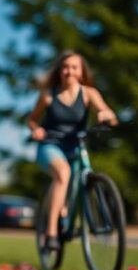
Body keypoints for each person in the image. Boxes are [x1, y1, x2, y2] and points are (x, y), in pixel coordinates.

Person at [26, 51, 117, 250]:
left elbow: (107, 112)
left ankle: (65, 212)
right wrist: (36, 129)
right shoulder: (48, 95)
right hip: (50, 145)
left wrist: (106, 114)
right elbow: (32, 119)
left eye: (74, 67)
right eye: (65, 67)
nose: (69, 71)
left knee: (73, 180)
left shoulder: (88, 94)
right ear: (60, 71)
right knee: (62, 173)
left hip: (76, 145)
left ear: (81, 71)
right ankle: (51, 233)